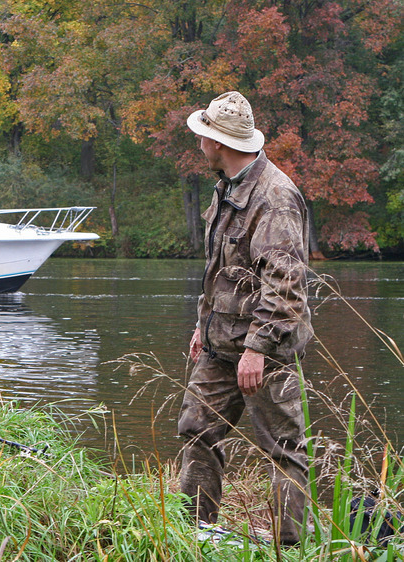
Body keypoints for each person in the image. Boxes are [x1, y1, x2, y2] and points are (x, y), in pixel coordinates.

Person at [178, 91, 313, 545]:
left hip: (266, 350)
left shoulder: (275, 197)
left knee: (285, 450)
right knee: (197, 429)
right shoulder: (229, 185)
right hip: (219, 343)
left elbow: (286, 286)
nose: (199, 142)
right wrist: (202, 325)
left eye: (203, 135)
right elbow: (219, 272)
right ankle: (195, 532)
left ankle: (287, 547)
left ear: (218, 143)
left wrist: (257, 349)